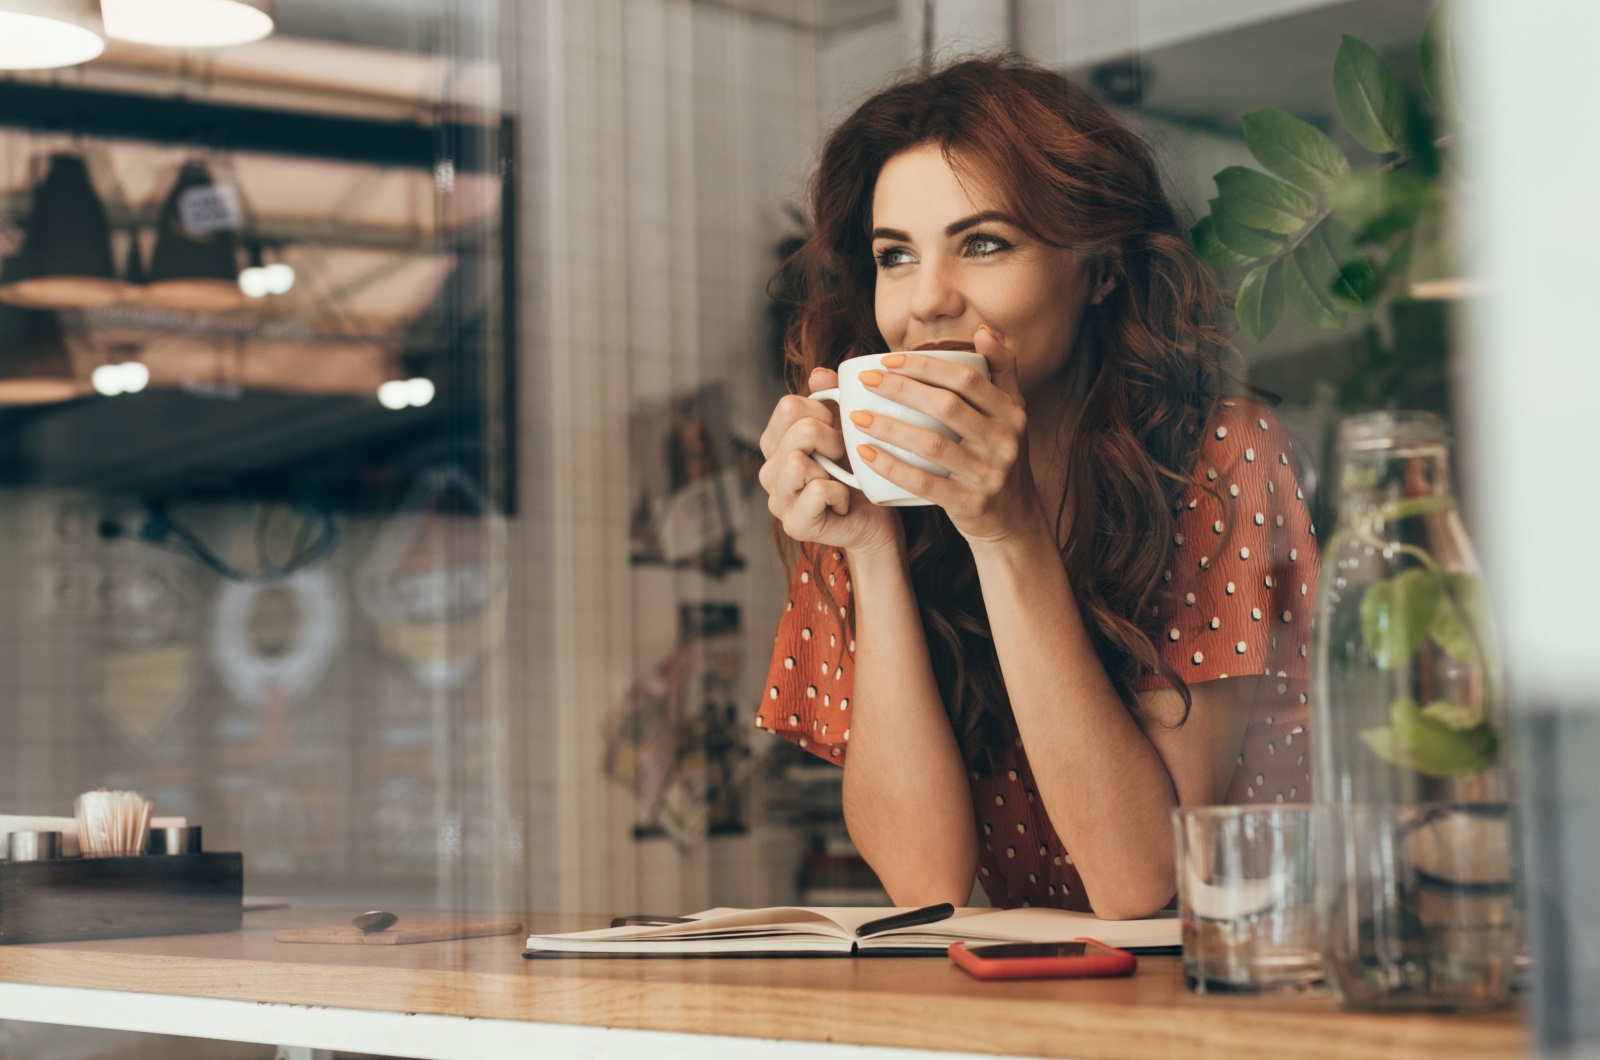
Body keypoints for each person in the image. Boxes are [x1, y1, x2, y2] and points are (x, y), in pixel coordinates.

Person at [755, 57, 1318, 920]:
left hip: (1251, 998)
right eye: (894, 256)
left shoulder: (1219, 457)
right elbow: (924, 883)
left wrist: (1005, 533)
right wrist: (872, 551)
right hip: (1047, 1010)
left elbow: (1140, 882)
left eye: (983, 243)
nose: (926, 301)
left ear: (1099, 272)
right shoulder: (876, 487)